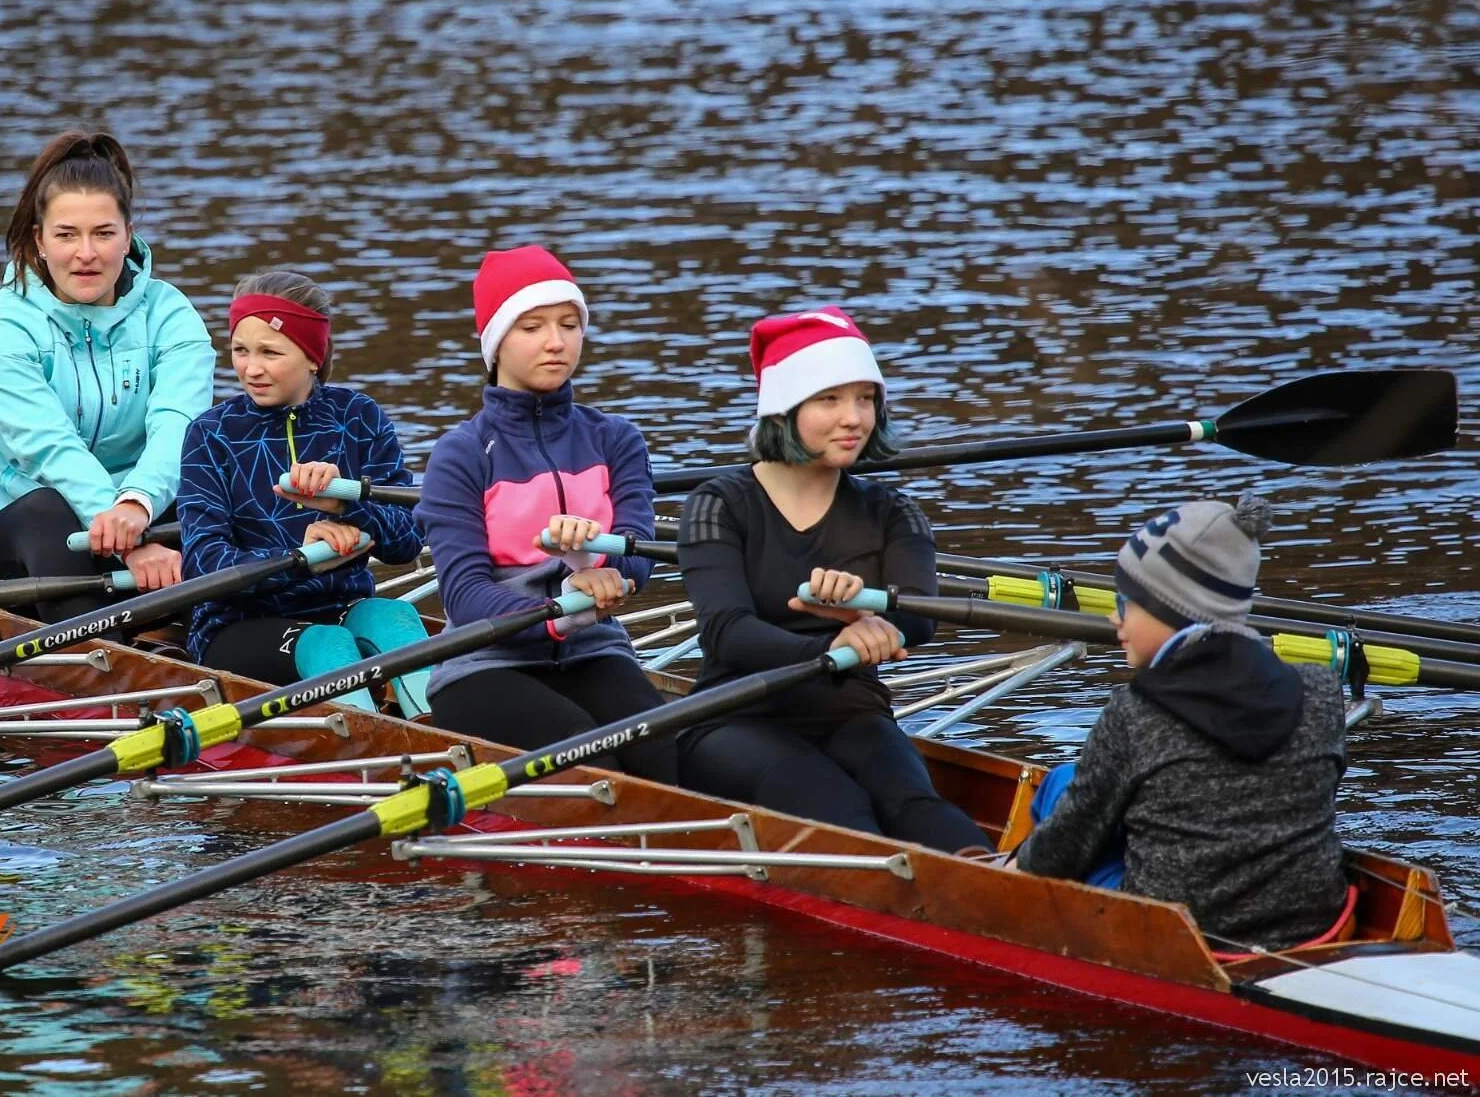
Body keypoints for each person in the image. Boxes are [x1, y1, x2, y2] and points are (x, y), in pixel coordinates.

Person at [676, 308, 990, 853]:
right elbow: (726, 631)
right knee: (834, 804)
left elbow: (917, 617)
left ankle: (998, 885)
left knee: (913, 803)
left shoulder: (894, 512)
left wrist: (872, 619)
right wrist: (833, 642)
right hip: (735, 716)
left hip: (852, 710)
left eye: (866, 398)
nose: (854, 418)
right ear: (784, 409)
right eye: (830, 399)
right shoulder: (718, 504)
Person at [1014, 494, 1349, 951]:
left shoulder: (1135, 713)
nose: (1114, 617)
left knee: (1058, 784)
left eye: (1125, 601)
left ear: (1170, 609)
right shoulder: (1321, 691)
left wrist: (1012, 870)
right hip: (1314, 921)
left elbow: (1059, 855)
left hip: (1179, 933)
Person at [413, 245, 678, 783]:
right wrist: (569, 609)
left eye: (569, 324)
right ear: (495, 343)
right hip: (484, 664)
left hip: (596, 651)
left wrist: (595, 563)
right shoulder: (460, 454)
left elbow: (637, 556)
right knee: (598, 770)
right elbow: (465, 597)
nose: (556, 342)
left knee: (671, 759)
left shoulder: (615, 439)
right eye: (532, 327)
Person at [0, 130, 213, 622]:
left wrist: (137, 506)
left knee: (217, 488)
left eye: (103, 234)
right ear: (39, 241)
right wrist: (128, 542)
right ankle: (106, 670)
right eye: (66, 235)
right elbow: (48, 447)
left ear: (128, 237)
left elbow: (180, 427)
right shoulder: (3, 326)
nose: (86, 253)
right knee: (48, 509)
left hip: (139, 522)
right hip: (8, 552)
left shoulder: (171, 314)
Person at [176, 271, 430, 713]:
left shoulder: (358, 417)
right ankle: (371, 755)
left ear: (314, 356)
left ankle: (444, 737)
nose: (251, 369)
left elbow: (407, 539)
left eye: (270, 352)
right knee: (327, 643)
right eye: (240, 350)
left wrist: (348, 508)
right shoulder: (211, 434)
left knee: (396, 616)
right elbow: (201, 563)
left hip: (342, 603)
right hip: (237, 623)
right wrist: (299, 556)